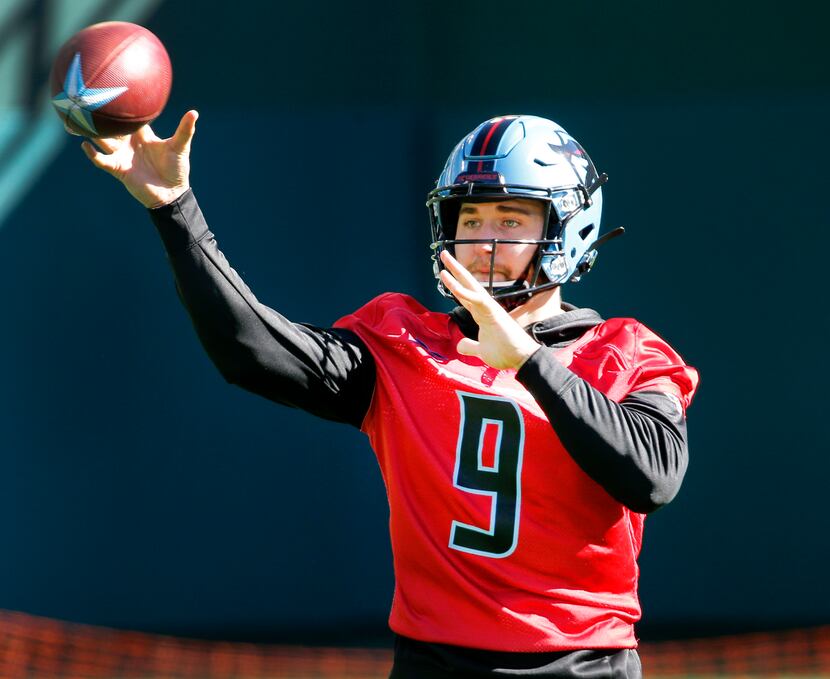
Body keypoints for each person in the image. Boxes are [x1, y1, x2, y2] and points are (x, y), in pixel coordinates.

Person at [81, 113, 699, 678]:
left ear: (569, 229)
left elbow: (652, 477)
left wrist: (531, 362)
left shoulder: (624, 351)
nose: (483, 239)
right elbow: (250, 351)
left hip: (580, 665)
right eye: (470, 219)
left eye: (510, 220)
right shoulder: (404, 342)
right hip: (434, 662)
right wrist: (173, 208)